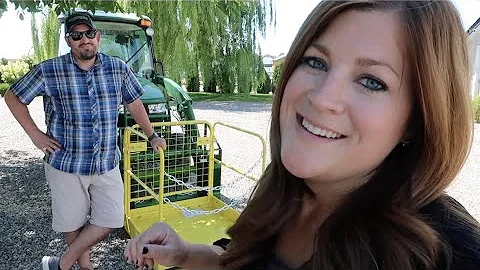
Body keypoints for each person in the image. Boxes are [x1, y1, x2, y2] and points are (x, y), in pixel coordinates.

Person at [124, 1, 480, 269]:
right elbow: (239, 261)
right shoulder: (284, 188)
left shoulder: (449, 251)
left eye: (372, 81)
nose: (322, 98)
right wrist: (185, 253)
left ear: (417, 120)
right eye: (316, 62)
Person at [4, 11, 166, 270]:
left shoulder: (118, 68)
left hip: (106, 162)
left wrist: (152, 134)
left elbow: (134, 103)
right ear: (69, 40)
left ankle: (63, 263)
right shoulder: (50, 69)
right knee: (73, 222)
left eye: (89, 33)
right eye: (77, 35)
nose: (84, 40)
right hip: (66, 163)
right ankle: (85, 267)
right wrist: (35, 135)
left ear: (97, 37)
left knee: (112, 218)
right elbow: (13, 97)